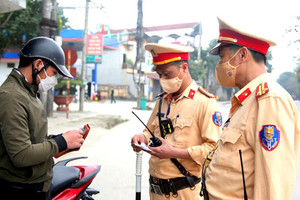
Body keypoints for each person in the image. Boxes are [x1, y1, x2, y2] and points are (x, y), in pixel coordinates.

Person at [203, 17, 300, 200]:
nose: (219, 65)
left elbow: (273, 187)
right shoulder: (246, 100)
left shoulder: (269, 100)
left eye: (222, 57)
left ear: (242, 55)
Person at [131, 43, 222, 199]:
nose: (163, 80)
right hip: (156, 192)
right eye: (160, 75)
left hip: (184, 192)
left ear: (184, 68)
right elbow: (150, 130)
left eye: (167, 74)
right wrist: (142, 138)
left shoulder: (205, 103)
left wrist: (175, 153)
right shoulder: (162, 101)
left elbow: (214, 150)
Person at [0, 37, 85, 200]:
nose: (54, 80)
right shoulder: (11, 97)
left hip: (35, 184)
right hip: (20, 188)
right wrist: (60, 143)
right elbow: (21, 155)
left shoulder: (28, 93)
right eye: (53, 73)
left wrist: (64, 141)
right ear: (38, 64)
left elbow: (34, 140)